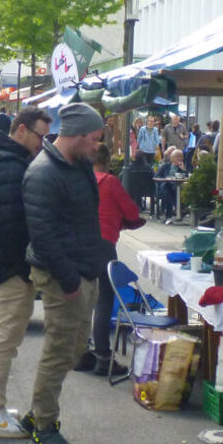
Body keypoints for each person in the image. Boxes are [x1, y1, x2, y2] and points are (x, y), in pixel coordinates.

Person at [19, 102, 106, 444]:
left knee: (72, 349)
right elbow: (43, 235)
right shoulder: (43, 173)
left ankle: (36, 412)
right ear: (79, 135)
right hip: (62, 275)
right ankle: (43, 427)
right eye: (95, 139)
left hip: (82, 269)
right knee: (59, 352)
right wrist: (70, 280)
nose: (98, 147)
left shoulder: (79, 164)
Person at [0, 106, 52, 439]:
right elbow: (15, 227)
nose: (42, 144)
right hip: (9, 266)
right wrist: (25, 269)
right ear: (21, 130)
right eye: (39, 136)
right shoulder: (11, 168)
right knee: (3, 342)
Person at [74, 143, 145, 376]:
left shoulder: (80, 180)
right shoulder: (110, 182)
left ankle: (81, 352)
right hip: (104, 243)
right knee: (104, 299)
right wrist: (125, 222)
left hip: (80, 243)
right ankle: (103, 356)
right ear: (106, 161)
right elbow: (132, 213)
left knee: (82, 299)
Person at [155, 148, 186, 220]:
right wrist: (165, 179)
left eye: (181, 156)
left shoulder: (182, 167)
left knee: (175, 191)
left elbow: (186, 177)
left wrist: (183, 170)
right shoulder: (165, 166)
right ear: (172, 158)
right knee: (167, 188)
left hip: (178, 187)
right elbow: (157, 176)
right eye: (177, 156)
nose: (180, 158)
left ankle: (176, 212)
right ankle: (171, 212)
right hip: (165, 186)